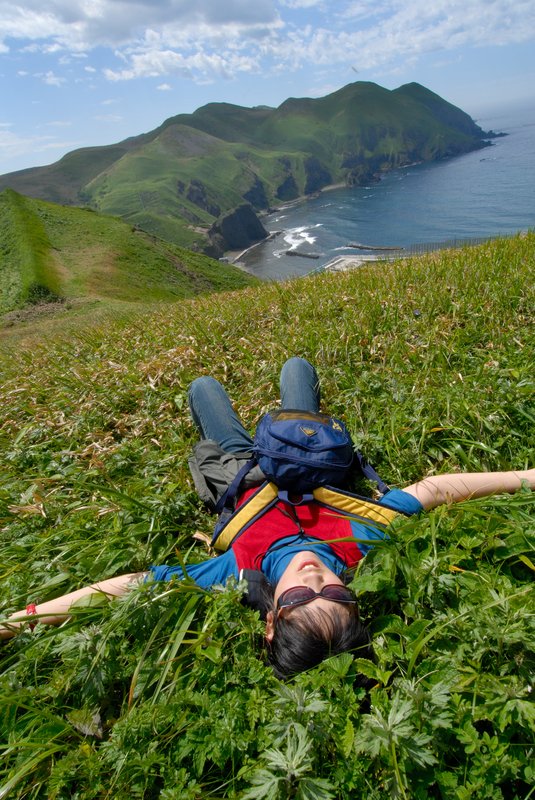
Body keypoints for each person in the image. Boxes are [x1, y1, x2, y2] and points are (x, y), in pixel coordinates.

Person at [1, 358, 534, 681]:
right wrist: (527, 477)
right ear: (353, 594)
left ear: (271, 620)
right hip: (306, 454)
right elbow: (437, 490)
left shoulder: (238, 573)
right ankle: (285, 408)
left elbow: (133, 586)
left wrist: (26, 617)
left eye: (302, 600)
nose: (315, 580)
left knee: (203, 387)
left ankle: (245, 420)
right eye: (339, 595)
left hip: (244, 473)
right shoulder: (361, 543)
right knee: (297, 368)